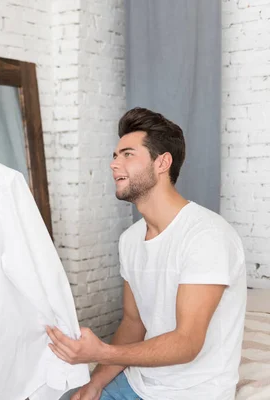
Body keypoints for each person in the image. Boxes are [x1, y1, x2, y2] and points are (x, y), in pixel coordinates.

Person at [48, 107, 247, 400]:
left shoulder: (207, 236)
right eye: (115, 156)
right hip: (140, 382)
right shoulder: (130, 240)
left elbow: (187, 342)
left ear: (162, 162)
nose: (115, 164)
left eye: (128, 154)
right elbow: (133, 323)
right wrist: (96, 382)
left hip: (194, 393)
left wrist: (101, 351)